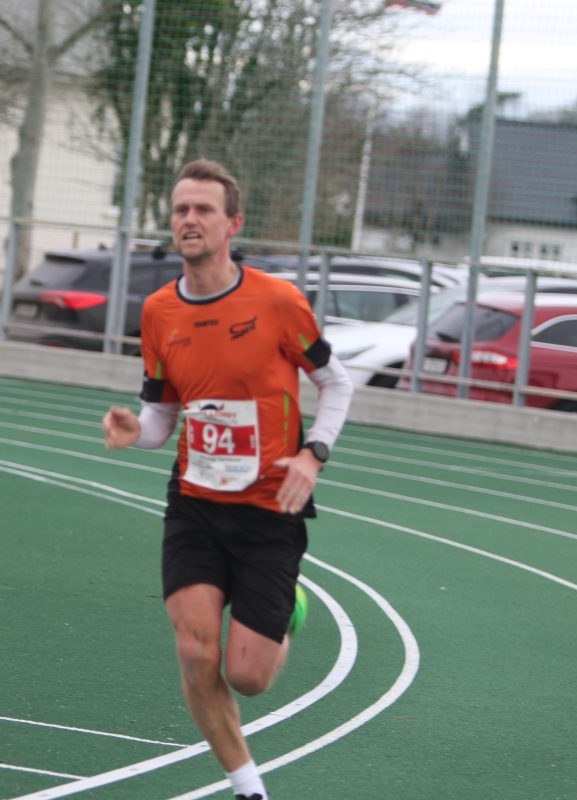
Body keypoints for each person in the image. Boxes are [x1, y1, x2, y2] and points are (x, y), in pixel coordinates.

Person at [102, 159, 353, 800]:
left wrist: (312, 453)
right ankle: (249, 788)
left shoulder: (276, 301)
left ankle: (287, 606)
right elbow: (163, 414)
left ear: (231, 223)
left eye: (203, 210)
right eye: (181, 208)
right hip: (195, 503)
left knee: (247, 676)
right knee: (195, 652)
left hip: (270, 508)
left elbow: (335, 382)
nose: (189, 219)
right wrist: (139, 431)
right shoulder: (158, 312)